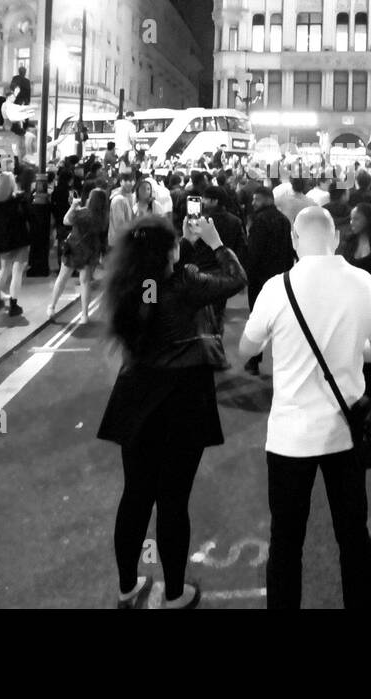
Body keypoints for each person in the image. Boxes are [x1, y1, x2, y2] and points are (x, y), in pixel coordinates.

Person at [240, 206, 371, 609]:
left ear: (294, 239)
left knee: (286, 542)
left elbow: (246, 348)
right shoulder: (363, 283)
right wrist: (349, 350)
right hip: (346, 432)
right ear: (336, 239)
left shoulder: (277, 287)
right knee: (353, 535)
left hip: (290, 437)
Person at [97, 214, 247, 609]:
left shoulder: (138, 286)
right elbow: (236, 279)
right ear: (167, 252)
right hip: (183, 398)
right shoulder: (184, 283)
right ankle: (176, 593)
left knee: (136, 494)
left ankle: (127, 587)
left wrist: (180, 254)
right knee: (173, 499)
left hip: (139, 395)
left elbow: (152, 305)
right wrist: (215, 243)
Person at [336, 202, 371, 412]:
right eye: (351, 218)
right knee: (352, 351)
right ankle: (356, 396)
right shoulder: (348, 242)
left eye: (356, 218)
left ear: (367, 219)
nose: (352, 222)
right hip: (349, 305)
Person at [243, 186, 294, 375]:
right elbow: (289, 249)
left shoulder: (259, 221)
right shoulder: (283, 220)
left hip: (260, 278)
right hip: (280, 276)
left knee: (258, 319)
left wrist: (248, 274)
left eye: (256, 199)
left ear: (267, 199)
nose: (253, 203)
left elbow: (254, 252)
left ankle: (254, 360)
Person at [49, 187, 108, 323]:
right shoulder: (103, 217)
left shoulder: (82, 213)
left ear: (92, 200)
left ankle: (52, 307)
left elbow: (66, 221)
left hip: (74, 249)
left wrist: (73, 206)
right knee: (85, 282)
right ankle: (85, 315)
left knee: (62, 279)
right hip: (92, 251)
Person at [0, 169, 32, 316]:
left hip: (2, 241)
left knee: (4, 269)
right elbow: (30, 216)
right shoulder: (19, 199)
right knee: (17, 272)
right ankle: (14, 305)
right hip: (19, 239)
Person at [109, 171, 136, 244]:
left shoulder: (132, 196)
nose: (129, 183)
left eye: (132, 181)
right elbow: (120, 225)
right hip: (120, 243)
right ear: (121, 182)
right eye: (126, 181)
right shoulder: (118, 199)